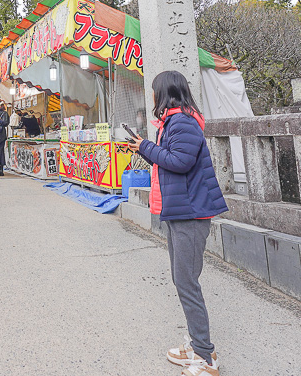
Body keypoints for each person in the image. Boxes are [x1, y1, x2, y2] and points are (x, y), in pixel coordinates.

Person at [130, 71, 228, 376]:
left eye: (154, 91)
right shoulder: (175, 120)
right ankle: (196, 343)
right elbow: (173, 160)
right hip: (182, 209)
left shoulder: (182, 121)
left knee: (187, 282)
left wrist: (145, 147)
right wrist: (145, 147)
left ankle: (205, 355)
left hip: (191, 212)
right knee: (183, 280)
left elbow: (180, 162)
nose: (152, 96)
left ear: (165, 92)